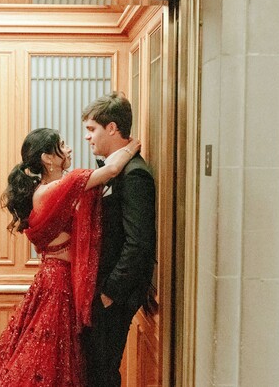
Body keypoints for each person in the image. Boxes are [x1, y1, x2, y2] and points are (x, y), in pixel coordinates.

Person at [0, 127, 141, 387]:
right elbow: (112, 170)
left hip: (54, 278)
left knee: (52, 354)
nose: (69, 149)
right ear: (48, 158)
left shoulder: (54, 187)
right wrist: (130, 147)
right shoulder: (54, 189)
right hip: (58, 282)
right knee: (49, 356)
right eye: (62, 145)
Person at [80, 92, 157, 387]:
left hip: (113, 294)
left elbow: (139, 242)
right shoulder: (114, 169)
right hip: (99, 289)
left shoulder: (135, 174)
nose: (87, 137)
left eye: (92, 129)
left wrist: (109, 293)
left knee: (103, 374)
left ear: (111, 128)